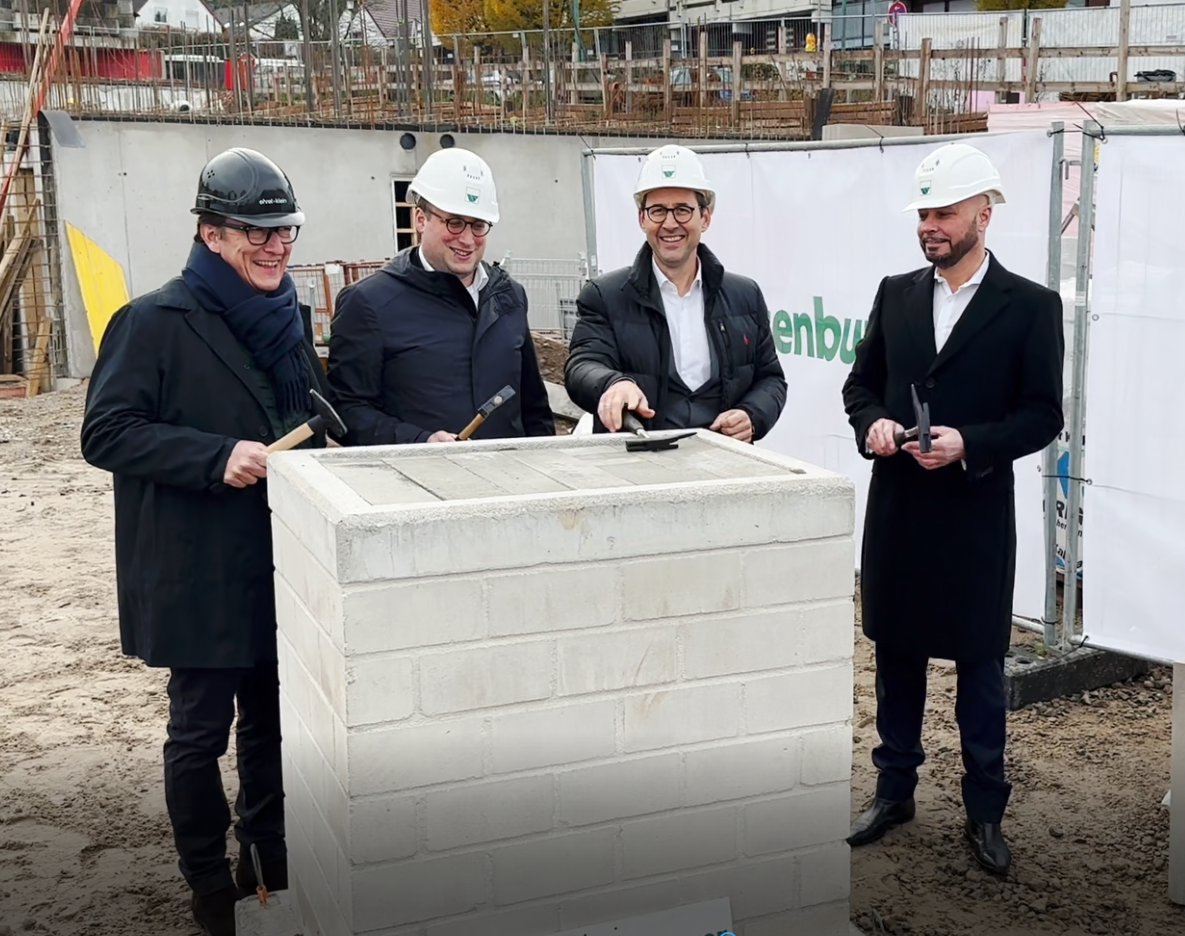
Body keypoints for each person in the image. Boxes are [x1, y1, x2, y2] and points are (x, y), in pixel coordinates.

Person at [81, 148, 332, 936]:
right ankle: (206, 883)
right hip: (196, 568)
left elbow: (303, 408)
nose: (275, 247)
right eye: (257, 233)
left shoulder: (284, 314)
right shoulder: (152, 320)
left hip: (277, 559)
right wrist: (213, 455)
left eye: (284, 231)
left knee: (273, 723)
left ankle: (267, 860)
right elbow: (106, 432)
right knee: (197, 732)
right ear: (211, 234)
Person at [842, 142, 1064, 875]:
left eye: (942, 213)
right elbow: (859, 387)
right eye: (922, 214)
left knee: (979, 667)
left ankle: (983, 812)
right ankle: (893, 790)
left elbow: (1041, 416)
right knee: (896, 657)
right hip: (900, 512)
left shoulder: (1030, 306)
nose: (928, 226)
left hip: (971, 519)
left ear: (982, 212)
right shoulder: (895, 292)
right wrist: (872, 424)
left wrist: (969, 442)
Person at [328, 147, 554, 443]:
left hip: (508, 482)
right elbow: (345, 411)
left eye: (478, 225)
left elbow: (533, 408)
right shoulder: (369, 303)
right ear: (420, 219)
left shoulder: (508, 297)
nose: (467, 238)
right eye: (455, 222)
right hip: (414, 483)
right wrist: (419, 441)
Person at [564, 144, 786, 442]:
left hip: (723, 465)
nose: (670, 223)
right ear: (642, 219)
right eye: (657, 211)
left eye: (683, 210)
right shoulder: (605, 297)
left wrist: (752, 414)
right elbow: (581, 367)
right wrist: (613, 384)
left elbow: (770, 378)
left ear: (705, 217)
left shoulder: (744, 296)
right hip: (636, 467)